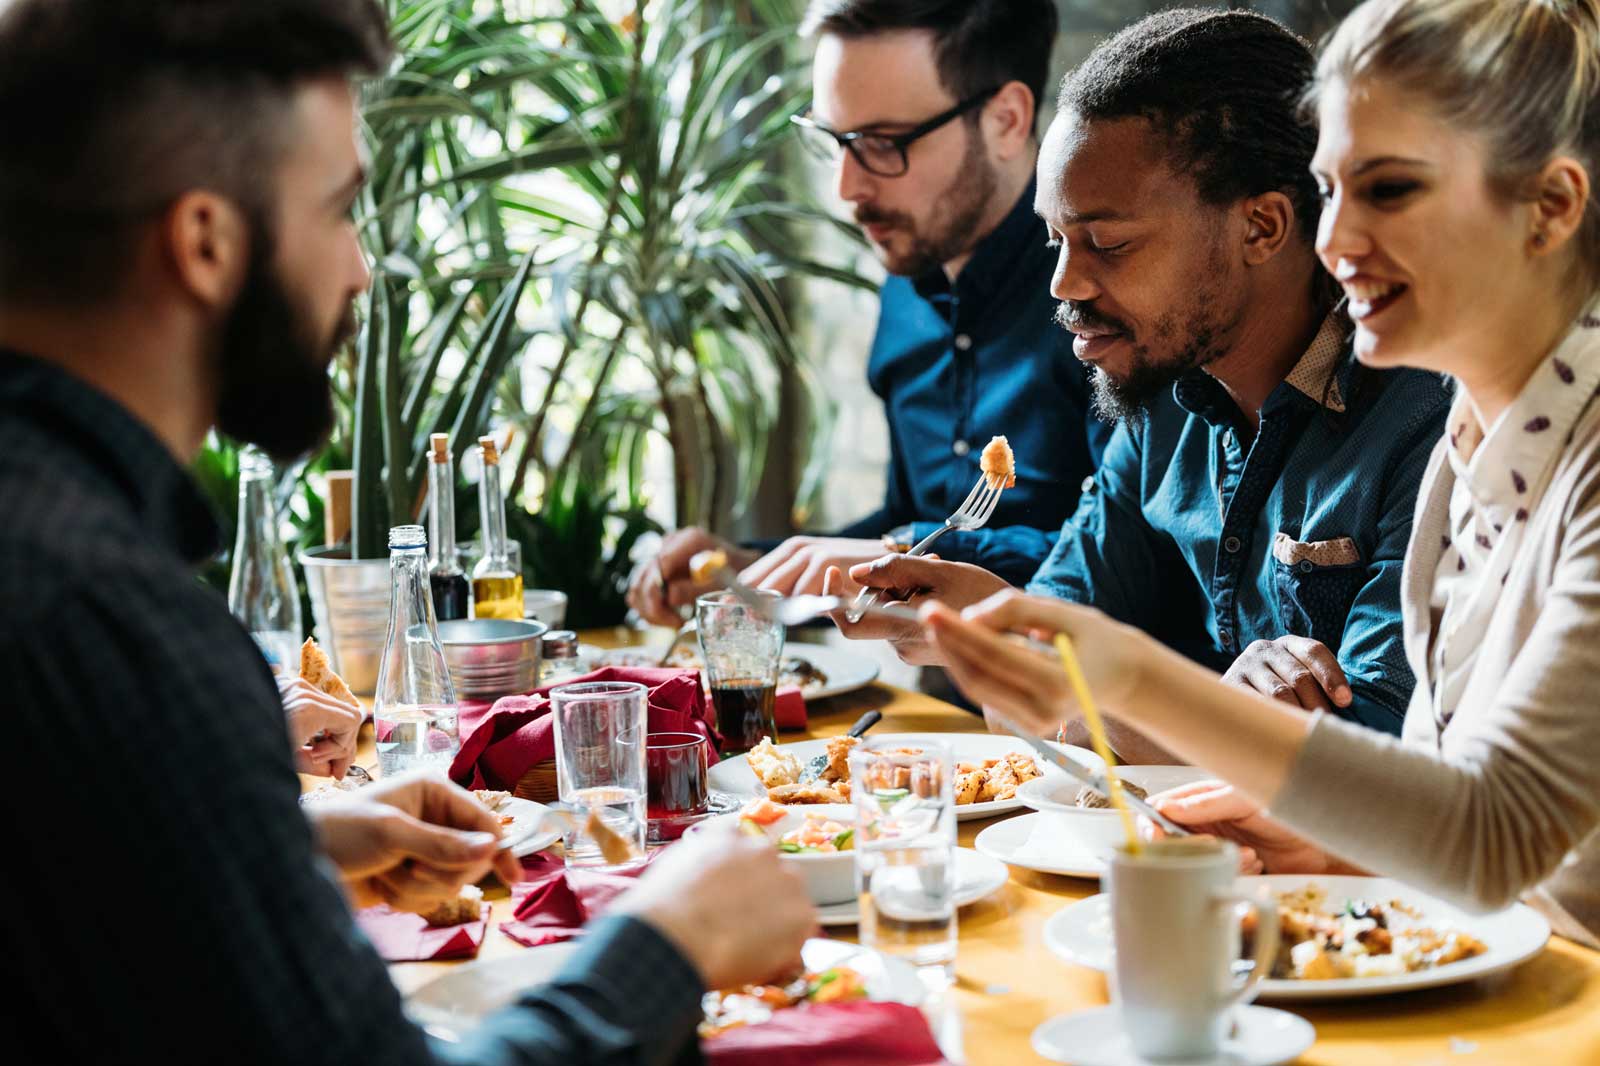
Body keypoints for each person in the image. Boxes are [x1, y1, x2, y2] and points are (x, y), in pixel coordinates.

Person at [0, 2, 814, 1063]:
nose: (360, 269)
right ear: (204, 241)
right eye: (338, 210)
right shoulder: (116, 627)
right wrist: (667, 944)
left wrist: (277, 840)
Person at [920, 0, 1600, 950]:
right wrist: (1333, 848)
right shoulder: (1466, 440)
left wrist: (1129, 679)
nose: (1336, 239)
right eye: (1333, 190)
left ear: (1554, 208)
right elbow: (1450, 807)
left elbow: (1491, 837)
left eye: (1391, 189)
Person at [831, 7, 1451, 757]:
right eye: (1055, 239)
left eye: (1108, 243)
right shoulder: (1163, 404)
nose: (1063, 285)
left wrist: (1072, 671)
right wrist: (1000, 627)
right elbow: (1023, 706)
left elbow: (1382, 773)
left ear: (1262, 227)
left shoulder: (1430, 421)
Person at [627, 0, 1108, 623]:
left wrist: (903, 552)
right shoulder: (907, 288)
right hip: (942, 710)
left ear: (1007, 120)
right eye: (835, 141)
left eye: (883, 144)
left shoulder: (1104, 296)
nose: (847, 190)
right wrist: (748, 564)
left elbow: (1124, 554)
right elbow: (908, 518)